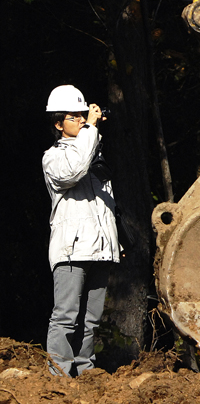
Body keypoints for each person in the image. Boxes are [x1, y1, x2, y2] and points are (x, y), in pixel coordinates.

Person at [43, 85, 120, 377]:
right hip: (71, 250)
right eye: (73, 117)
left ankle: (86, 373)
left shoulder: (94, 157)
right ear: (57, 123)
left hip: (99, 250)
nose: (81, 120)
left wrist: (115, 242)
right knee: (66, 316)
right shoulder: (52, 157)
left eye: (82, 115)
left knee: (91, 319)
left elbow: (105, 209)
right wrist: (90, 128)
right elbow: (72, 172)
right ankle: (59, 376)